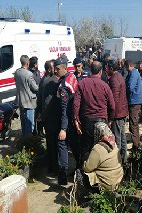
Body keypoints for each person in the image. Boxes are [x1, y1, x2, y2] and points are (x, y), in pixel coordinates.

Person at [73, 61, 115, 165]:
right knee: (102, 150)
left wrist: (76, 120)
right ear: (101, 71)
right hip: (102, 122)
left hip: (87, 122)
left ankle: (85, 176)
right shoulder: (105, 86)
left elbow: (76, 104)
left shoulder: (82, 84)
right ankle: (98, 176)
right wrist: (110, 121)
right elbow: (112, 106)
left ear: (90, 70)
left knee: (86, 150)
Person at [54, 56, 78, 185]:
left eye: (57, 69)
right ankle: (79, 169)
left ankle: (63, 174)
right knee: (74, 145)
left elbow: (64, 109)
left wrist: (63, 128)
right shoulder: (72, 77)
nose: (55, 71)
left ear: (64, 68)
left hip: (68, 120)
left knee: (62, 143)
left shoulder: (64, 85)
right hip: (75, 117)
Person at [83, 122, 123, 190]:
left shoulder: (97, 148)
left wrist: (84, 163)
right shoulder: (113, 143)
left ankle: (90, 194)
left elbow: (87, 168)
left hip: (109, 183)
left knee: (82, 173)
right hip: (119, 178)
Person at [37, 60, 60, 175]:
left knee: (50, 144)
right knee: (54, 145)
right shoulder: (52, 81)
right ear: (50, 69)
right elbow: (47, 102)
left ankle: (51, 166)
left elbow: (40, 99)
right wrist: (43, 116)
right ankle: (54, 168)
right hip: (52, 118)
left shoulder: (43, 79)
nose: (56, 70)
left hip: (47, 118)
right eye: (54, 68)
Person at [106, 59, 129, 165]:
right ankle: (124, 160)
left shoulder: (114, 80)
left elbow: (113, 101)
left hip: (118, 113)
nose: (106, 70)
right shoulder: (119, 76)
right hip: (122, 111)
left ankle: (118, 162)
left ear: (111, 68)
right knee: (122, 136)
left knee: (118, 139)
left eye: (107, 68)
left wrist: (111, 118)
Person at [14, 55, 39, 137]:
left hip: (21, 101)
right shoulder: (29, 74)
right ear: (28, 63)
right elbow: (35, 88)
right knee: (30, 124)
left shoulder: (17, 72)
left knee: (24, 124)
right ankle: (29, 144)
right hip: (29, 102)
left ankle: (24, 141)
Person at [125, 60, 142, 149]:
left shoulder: (133, 74)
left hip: (135, 100)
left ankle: (136, 145)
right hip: (136, 100)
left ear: (129, 65)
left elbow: (130, 87)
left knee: (133, 123)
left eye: (125, 66)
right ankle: (136, 142)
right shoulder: (135, 73)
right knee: (134, 122)